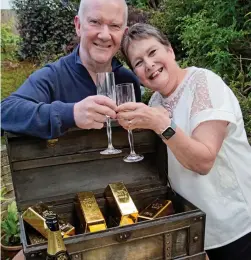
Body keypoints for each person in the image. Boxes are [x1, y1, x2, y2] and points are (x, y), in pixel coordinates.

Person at [117, 23, 251, 260]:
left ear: (170, 50)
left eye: (152, 52)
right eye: (138, 62)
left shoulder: (204, 83)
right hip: (196, 231)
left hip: (237, 227)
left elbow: (203, 161)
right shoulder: (155, 102)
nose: (148, 65)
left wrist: (161, 125)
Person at [1, 0, 141, 139]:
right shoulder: (53, 77)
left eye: (115, 25)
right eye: (95, 22)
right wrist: (71, 114)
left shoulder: (128, 81)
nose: (104, 35)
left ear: (124, 33)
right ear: (78, 25)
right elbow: (5, 112)